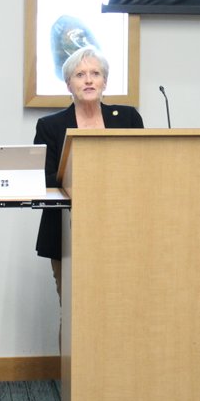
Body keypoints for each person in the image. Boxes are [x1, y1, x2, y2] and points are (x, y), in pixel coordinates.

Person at [33, 45, 144, 339]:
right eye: (80, 74)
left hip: (123, 231)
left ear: (105, 81)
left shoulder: (129, 119)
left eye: (95, 73)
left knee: (123, 310)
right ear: (69, 83)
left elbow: (144, 168)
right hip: (67, 230)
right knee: (74, 312)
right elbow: (43, 177)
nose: (89, 80)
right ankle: (74, 385)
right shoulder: (50, 126)